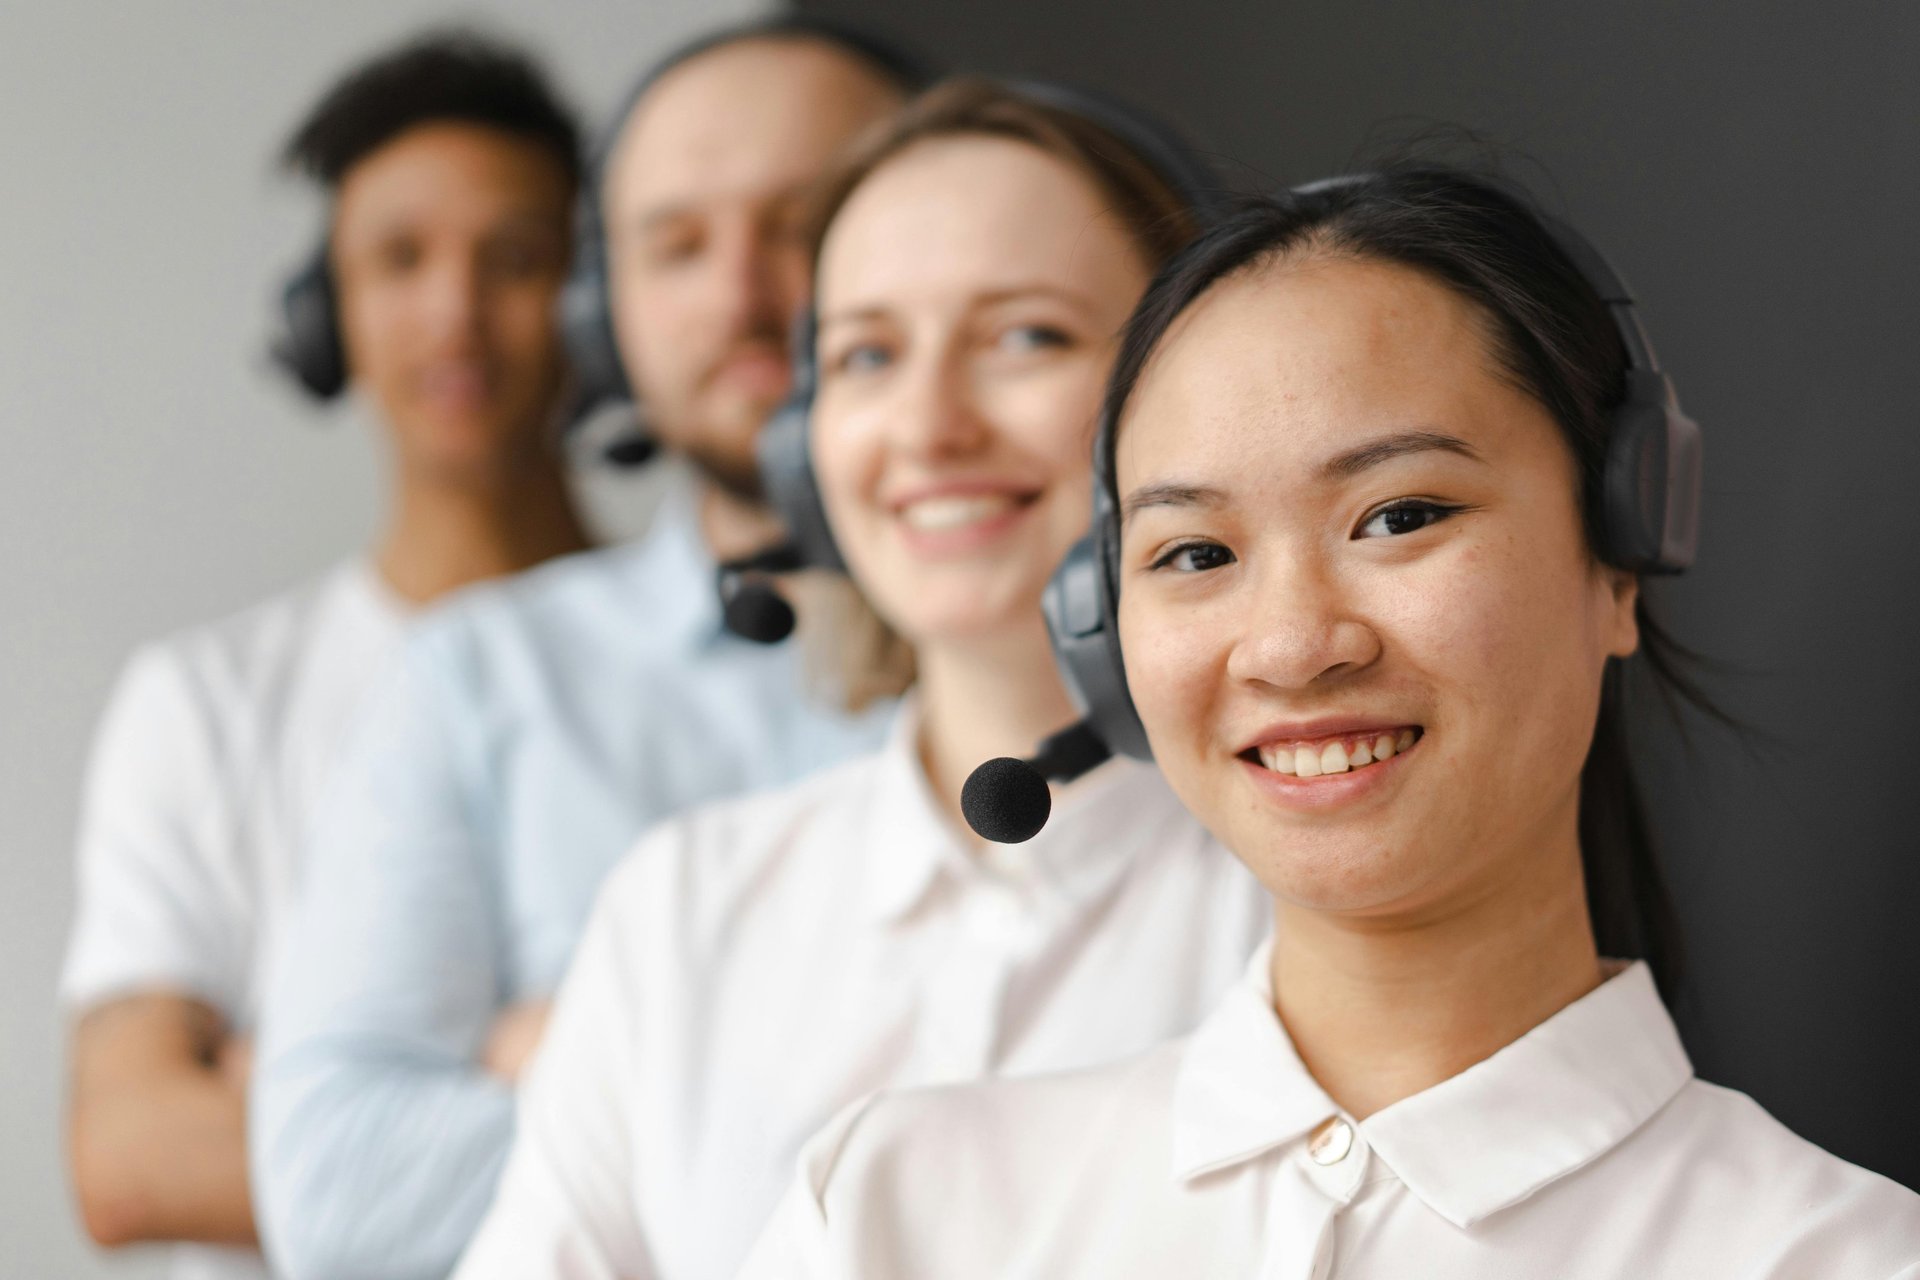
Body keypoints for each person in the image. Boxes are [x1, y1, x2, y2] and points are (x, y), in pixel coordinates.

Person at [739, 168, 1920, 1279]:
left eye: (1399, 515)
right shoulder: (896, 1209)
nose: (1294, 644)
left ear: (1619, 555)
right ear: (1103, 625)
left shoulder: (1838, 1257)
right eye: (1195, 552)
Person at [449, 78, 1269, 1280]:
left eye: (1025, 336)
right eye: (868, 354)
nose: (929, 425)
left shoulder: (1310, 892)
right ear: (802, 444)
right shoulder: (685, 910)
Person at [247, 19, 924, 1280]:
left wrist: (584, 1054)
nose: (741, 296)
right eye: (678, 244)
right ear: (604, 315)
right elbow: (341, 1186)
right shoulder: (476, 676)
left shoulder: (1131, 663)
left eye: (805, 225)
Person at [61, 31, 588, 1280]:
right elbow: (132, 1156)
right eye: (400, 258)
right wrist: (559, 1081)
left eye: (515, 257)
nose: (454, 312)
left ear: (597, 301)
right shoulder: (204, 702)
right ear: (324, 315)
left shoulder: (716, 661)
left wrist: (324, 1095)